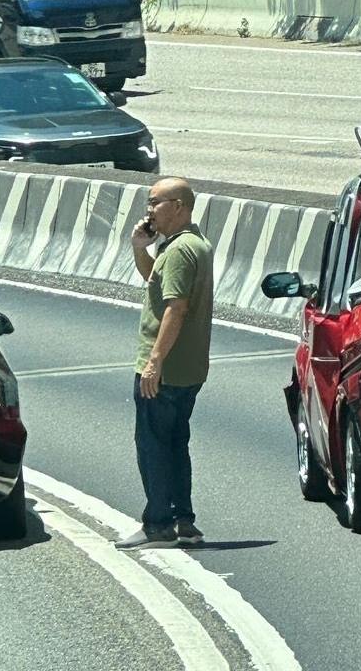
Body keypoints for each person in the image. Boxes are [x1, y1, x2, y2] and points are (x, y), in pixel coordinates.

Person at [115, 177, 214, 550]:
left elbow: (176, 306)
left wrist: (154, 361)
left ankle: (158, 523)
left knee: (153, 445)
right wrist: (141, 247)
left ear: (179, 206)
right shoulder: (193, 245)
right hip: (189, 369)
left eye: (155, 202)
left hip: (166, 370)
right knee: (175, 444)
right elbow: (156, 281)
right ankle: (184, 521)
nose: (149, 210)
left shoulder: (178, 252)